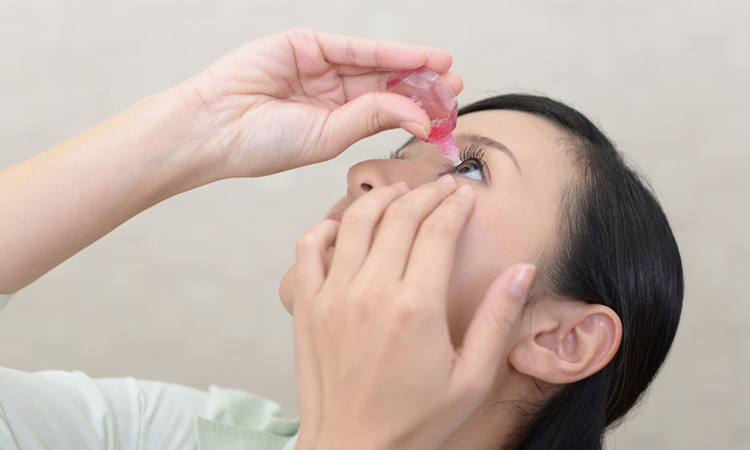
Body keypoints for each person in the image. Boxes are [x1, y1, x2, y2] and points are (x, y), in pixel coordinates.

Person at [0, 29, 683, 450]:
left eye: (470, 167)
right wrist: (190, 133)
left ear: (564, 340)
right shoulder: (180, 433)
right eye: (405, 148)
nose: (363, 171)